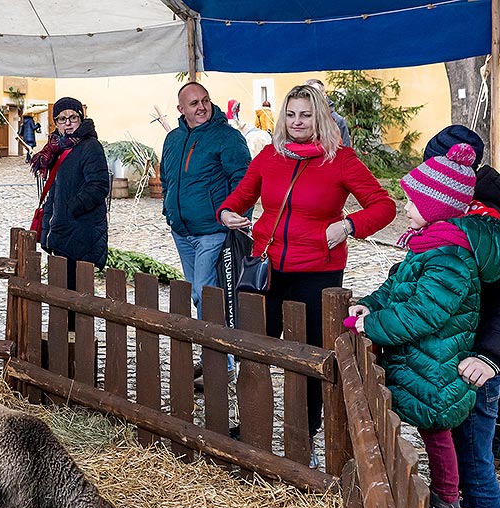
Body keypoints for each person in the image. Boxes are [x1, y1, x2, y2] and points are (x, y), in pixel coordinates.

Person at [218, 84, 395, 466]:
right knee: (257, 349)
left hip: (318, 273)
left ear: (321, 117)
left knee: (312, 357)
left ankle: (306, 437)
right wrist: (228, 213)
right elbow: (240, 197)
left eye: (306, 115)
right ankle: (253, 427)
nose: (298, 122)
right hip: (267, 269)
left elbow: (384, 206)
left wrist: (348, 225)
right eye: (292, 114)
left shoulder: (341, 160)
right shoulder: (268, 156)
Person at [348, 143, 500, 508]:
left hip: (439, 360)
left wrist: (374, 327)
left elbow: (426, 311)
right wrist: (371, 306)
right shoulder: (429, 245)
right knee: (432, 428)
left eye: (412, 201)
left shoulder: (450, 257)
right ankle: (447, 498)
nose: (405, 208)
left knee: (440, 430)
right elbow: (399, 287)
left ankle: (448, 504)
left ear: (438, 207)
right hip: (427, 357)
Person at [424, 126, 500, 508]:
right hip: (457, 363)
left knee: (475, 467)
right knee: (461, 460)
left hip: (479, 372)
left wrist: (489, 356)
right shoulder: (454, 222)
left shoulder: (482, 230)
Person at [161, 82, 251, 385]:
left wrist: (235, 220)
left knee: (205, 294)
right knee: (200, 295)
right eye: (193, 103)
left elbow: (245, 181)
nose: (201, 107)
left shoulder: (227, 137)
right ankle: (209, 356)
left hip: (213, 230)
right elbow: (167, 176)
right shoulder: (173, 139)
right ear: (181, 109)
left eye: (205, 100)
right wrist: (168, 210)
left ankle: (223, 363)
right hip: (183, 232)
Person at [30, 97, 109, 329]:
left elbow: (98, 186)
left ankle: (76, 346)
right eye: (62, 119)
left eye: (73, 117)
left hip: (80, 231)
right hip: (62, 232)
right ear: (56, 123)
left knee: (76, 297)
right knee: (63, 295)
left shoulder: (90, 146)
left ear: (81, 118)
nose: (68, 123)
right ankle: (64, 343)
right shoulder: (58, 148)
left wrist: (69, 209)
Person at [305, 79, 351, 147]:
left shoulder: (337, 120)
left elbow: (345, 149)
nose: (310, 98)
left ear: (324, 95)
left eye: (314, 94)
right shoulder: (297, 120)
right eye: (306, 94)